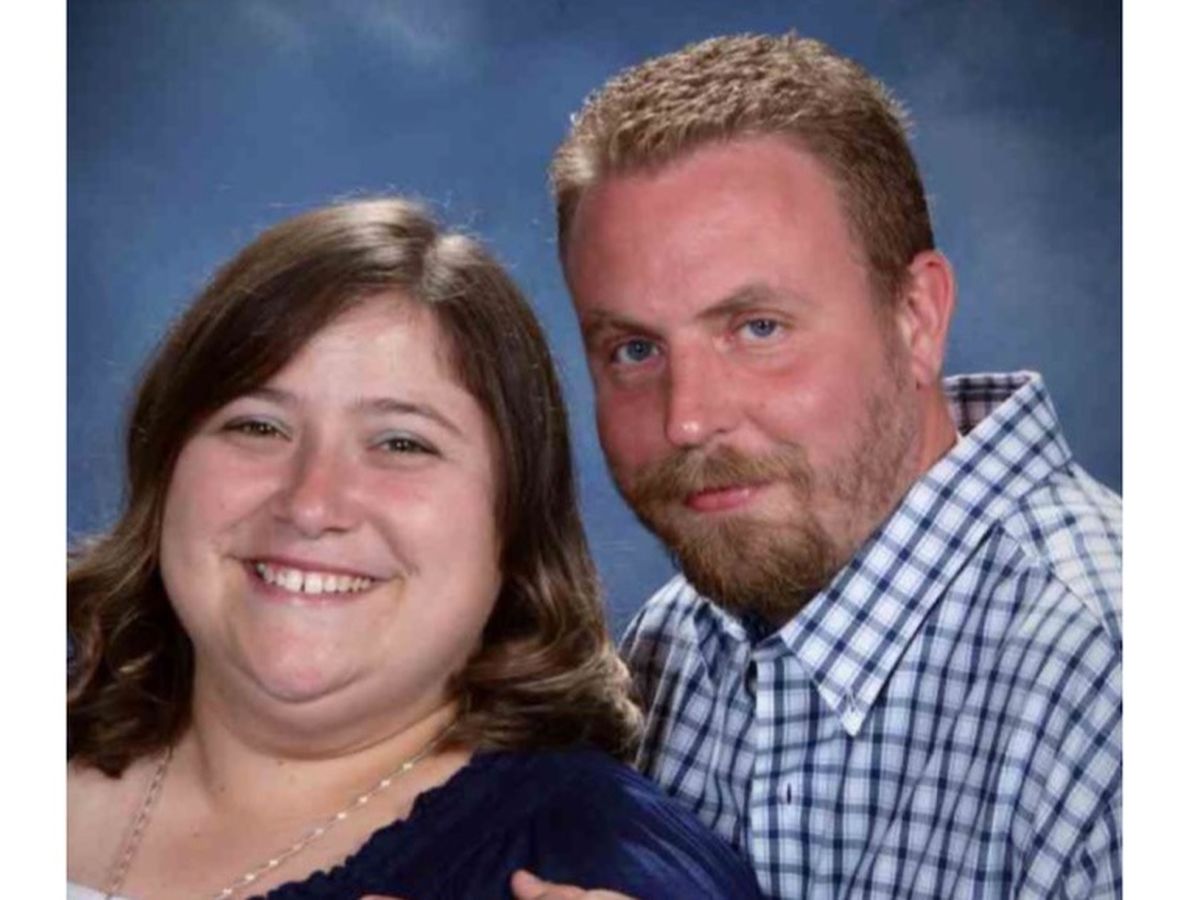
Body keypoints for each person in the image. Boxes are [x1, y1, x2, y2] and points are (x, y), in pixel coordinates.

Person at [520, 33, 1122, 900]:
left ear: (917, 316)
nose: (689, 418)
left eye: (757, 328)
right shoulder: (671, 643)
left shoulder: (1118, 687)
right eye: (635, 349)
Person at [67, 198, 762, 900]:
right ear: (165, 465)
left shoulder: (605, 865)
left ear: (515, 524)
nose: (311, 504)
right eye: (258, 427)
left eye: (401, 443)